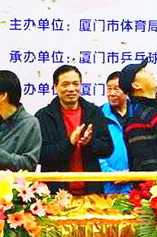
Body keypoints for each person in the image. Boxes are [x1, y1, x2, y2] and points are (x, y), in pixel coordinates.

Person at [35, 65, 112, 194]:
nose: (71, 89)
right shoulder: (43, 116)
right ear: (55, 87)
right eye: (65, 84)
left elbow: (107, 149)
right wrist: (69, 143)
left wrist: (90, 142)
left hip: (91, 191)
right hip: (55, 193)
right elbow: (40, 156)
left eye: (75, 84)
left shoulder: (94, 112)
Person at [98, 71, 132, 194]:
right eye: (109, 89)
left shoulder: (138, 114)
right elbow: (93, 149)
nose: (112, 93)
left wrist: (132, 173)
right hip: (106, 186)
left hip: (136, 185)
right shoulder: (98, 115)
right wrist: (109, 174)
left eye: (117, 89)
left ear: (127, 91)